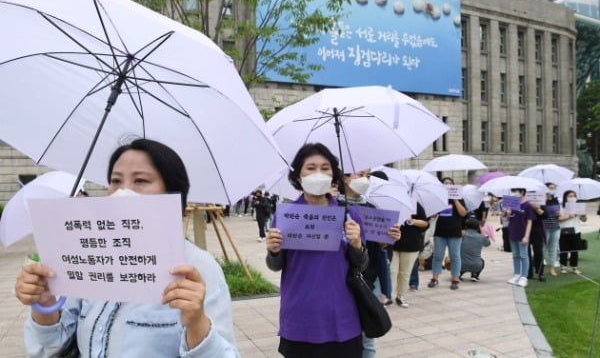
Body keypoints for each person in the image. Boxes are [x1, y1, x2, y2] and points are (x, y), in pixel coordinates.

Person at [15, 138, 239, 357]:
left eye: (140, 180)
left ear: (172, 193)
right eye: (115, 181)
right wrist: (44, 304)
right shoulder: (90, 255)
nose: (123, 191)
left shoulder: (197, 268)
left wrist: (197, 323)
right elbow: (53, 346)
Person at [265, 143, 368, 358]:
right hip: (300, 318)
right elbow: (276, 265)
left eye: (325, 167)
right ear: (298, 176)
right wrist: (274, 250)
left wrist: (357, 244)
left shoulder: (349, 215)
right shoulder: (287, 215)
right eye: (310, 168)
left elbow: (361, 265)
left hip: (342, 317)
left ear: (334, 174)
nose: (318, 173)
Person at [337, 169, 400, 358]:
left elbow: (378, 246)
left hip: (366, 280)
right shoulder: (332, 207)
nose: (363, 179)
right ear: (345, 177)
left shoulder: (373, 208)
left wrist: (388, 239)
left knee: (368, 339)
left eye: (367, 175)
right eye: (358, 174)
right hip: (337, 280)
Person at [428, 177, 467, 290]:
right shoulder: (439, 198)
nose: (448, 185)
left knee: (455, 256)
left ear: (454, 185)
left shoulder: (459, 198)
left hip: (455, 232)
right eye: (445, 183)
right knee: (438, 256)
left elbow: (463, 213)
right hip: (440, 231)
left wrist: (455, 200)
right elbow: (433, 214)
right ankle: (435, 278)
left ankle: (455, 278)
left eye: (450, 183)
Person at [391, 202, 428, 307]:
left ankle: (400, 295)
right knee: (392, 272)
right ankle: (389, 296)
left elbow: (425, 223)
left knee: (405, 273)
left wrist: (412, 221)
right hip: (392, 243)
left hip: (411, 245)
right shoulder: (390, 202)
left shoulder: (415, 204)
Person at [505, 187, 535, 287]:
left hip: (523, 234)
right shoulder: (512, 203)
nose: (514, 194)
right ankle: (517, 274)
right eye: (513, 192)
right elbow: (509, 219)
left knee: (524, 255)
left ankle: (524, 276)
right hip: (513, 232)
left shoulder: (528, 206)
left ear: (522, 192)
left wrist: (526, 236)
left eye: (516, 192)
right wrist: (508, 213)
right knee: (515, 255)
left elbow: (530, 222)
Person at [558, 190, 586, 274]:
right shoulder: (561, 207)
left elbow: (584, 220)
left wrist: (584, 215)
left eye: (574, 196)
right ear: (565, 197)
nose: (572, 197)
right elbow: (559, 219)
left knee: (575, 250)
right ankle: (563, 266)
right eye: (570, 196)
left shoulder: (578, 206)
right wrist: (569, 216)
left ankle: (574, 267)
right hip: (564, 230)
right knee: (564, 249)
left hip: (576, 230)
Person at [459, 213, 490, 281]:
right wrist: (482, 232)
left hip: (460, 265)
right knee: (482, 261)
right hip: (476, 265)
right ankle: (475, 274)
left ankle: (459, 274)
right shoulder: (481, 237)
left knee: (458, 259)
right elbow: (488, 243)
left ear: (466, 226)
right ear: (477, 227)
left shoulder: (462, 235)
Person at [541, 183, 561, 276]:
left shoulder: (556, 200)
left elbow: (558, 213)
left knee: (553, 248)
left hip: (555, 227)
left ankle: (552, 268)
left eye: (554, 188)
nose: (552, 190)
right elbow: (541, 214)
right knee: (543, 248)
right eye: (551, 188)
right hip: (545, 228)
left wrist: (558, 215)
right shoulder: (541, 200)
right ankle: (540, 267)